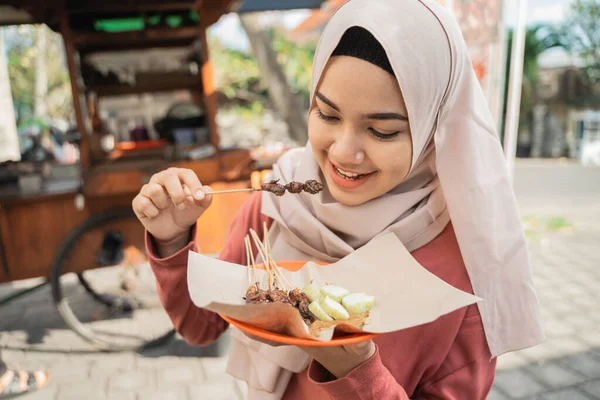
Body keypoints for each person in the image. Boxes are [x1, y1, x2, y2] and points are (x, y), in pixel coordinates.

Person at [133, 0, 544, 398]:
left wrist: (358, 375)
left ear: (431, 130)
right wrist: (171, 241)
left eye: (382, 131)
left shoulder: (464, 269)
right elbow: (201, 327)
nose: (344, 152)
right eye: (327, 115)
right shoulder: (275, 203)